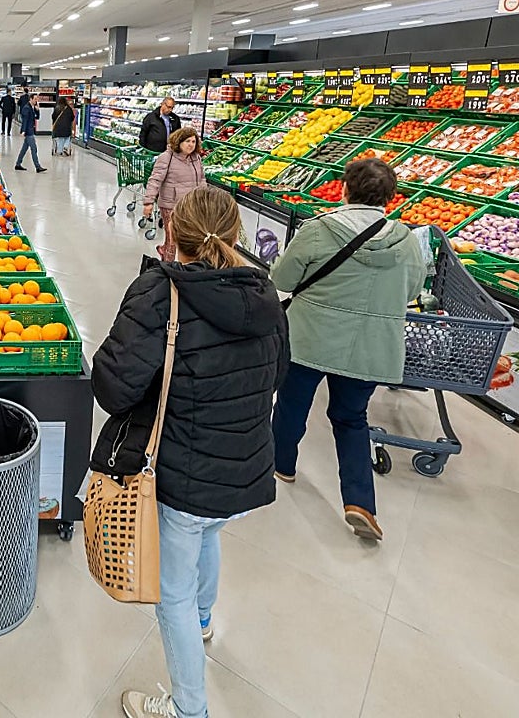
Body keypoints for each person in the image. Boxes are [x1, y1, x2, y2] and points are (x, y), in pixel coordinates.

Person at [92, 186, 289, 718]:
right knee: (208, 532)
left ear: (171, 231)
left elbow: (114, 388)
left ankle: (188, 709)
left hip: (183, 472)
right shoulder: (265, 296)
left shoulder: (159, 293)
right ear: (236, 234)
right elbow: (279, 375)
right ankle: (205, 618)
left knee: (170, 592)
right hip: (245, 468)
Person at [270, 158, 426, 541]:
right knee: (351, 418)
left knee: (292, 403)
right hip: (371, 346)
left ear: (345, 188)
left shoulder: (319, 230)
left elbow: (284, 279)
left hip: (311, 337)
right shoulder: (406, 241)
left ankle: (281, 464)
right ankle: (360, 503)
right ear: (390, 196)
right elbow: (410, 293)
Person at [144, 127, 206, 262]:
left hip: (191, 205)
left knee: (188, 237)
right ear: (179, 142)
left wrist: (203, 198)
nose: (191, 145)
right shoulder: (166, 157)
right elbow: (155, 179)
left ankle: (164, 250)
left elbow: (201, 179)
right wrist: (148, 202)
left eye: (193, 141)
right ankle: (167, 268)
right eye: (187, 141)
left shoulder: (196, 158)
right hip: (170, 204)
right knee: (172, 239)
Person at [14, 93, 46, 173]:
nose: (36, 101)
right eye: (35, 99)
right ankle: (37, 167)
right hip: (28, 131)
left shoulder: (32, 108)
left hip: (30, 130)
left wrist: (38, 110)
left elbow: (37, 117)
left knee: (24, 149)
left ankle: (18, 164)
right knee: (34, 148)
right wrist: (23, 131)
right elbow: (25, 120)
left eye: (37, 99)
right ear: (30, 99)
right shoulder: (26, 108)